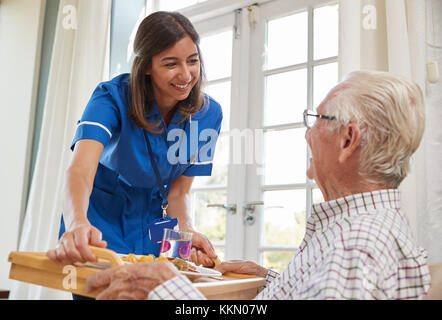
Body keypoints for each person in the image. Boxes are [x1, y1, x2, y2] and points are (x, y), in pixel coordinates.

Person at [84, 70, 432, 300]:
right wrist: (274, 281)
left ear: (348, 140)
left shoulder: (355, 247)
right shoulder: (366, 229)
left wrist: (169, 290)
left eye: (317, 119)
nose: (307, 134)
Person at [47, 12, 223, 275]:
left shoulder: (209, 114)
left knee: (165, 290)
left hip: (158, 225)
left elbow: (179, 192)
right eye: (171, 64)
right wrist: (77, 222)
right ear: (147, 66)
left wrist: (184, 229)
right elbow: (81, 169)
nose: (186, 75)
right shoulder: (110, 97)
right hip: (100, 223)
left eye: (192, 61)